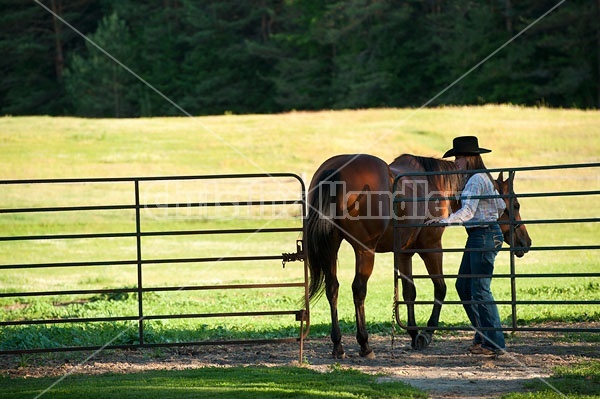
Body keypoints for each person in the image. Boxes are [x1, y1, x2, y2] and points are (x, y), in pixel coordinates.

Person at [426, 136, 507, 356]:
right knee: (464, 286)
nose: (457, 162)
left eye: (459, 157)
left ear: (470, 158)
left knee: (480, 289)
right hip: (482, 234)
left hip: (483, 235)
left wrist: (444, 220)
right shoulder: (483, 178)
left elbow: (468, 211)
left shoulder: (475, 180)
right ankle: (483, 337)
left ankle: (494, 343)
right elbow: (500, 205)